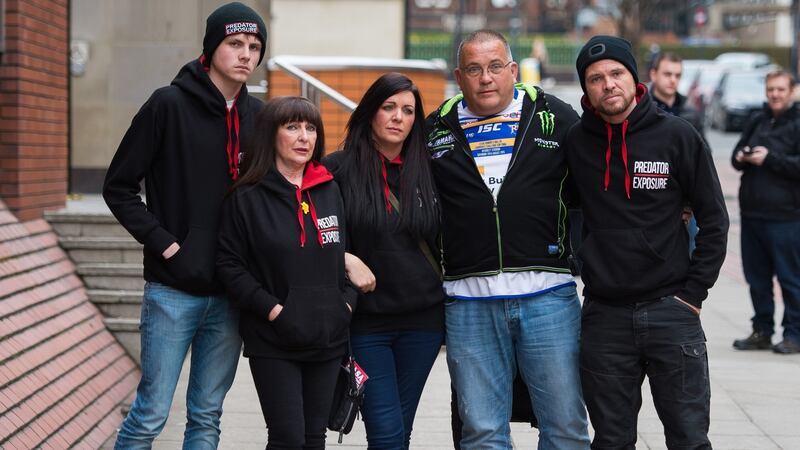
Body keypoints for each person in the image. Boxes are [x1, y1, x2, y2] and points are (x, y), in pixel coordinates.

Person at [102, 3, 266, 448]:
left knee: (207, 417)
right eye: (235, 44)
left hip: (232, 293)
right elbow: (118, 187)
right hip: (173, 290)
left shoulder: (260, 118)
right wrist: (165, 243)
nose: (245, 54)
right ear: (211, 48)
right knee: (151, 413)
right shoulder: (167, 105)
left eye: (254, 47)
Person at [425, 29, 589, 449]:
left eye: (496, 66)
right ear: (459, 77)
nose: (486, 78)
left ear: (513, 71)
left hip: (548, 297)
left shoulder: (554, 115)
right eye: (475, 69)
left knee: (566, 427)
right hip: (468, 302)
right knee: (481, 432)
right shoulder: (434, 131)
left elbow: (598, 178)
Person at [565, 35, 729, 449]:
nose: (608, 84)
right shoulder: (576, 143)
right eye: (596, 78)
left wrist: (694, 292)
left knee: (689, 439)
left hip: (671, 311)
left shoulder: (677, 136)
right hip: (605, 318)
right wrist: (578, 258)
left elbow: (715, 217)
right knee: (612, 441)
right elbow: (556, 206)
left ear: (635, 79)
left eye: (616, 74)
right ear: (586, 89)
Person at [216, 96, 356, 449]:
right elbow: (229, 266)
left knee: (313, 438)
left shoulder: (329, 189)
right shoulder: (246, 196)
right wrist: (274, 310)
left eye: (310, 128)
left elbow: (345, 255)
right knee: (287, 439)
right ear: (271, 135)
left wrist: (346, 306)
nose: (303, 137)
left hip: (327, 336)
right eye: (292, 127)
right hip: (274, 338)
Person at [323, 72, 444, 450]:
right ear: (370, 113)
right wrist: (343, 258)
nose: (398, 117)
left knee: (398, 433)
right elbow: (305, 232)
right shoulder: (337, 169)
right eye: (388, 107)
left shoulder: (430, 170)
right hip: (366, 325)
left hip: (423, 324)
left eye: (408, 111)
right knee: (387, 434)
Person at [731, 69, 800, 354]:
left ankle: (794, 334)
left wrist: (770, 159)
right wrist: (741, 157)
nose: (774, 94)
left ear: (792, 91)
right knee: (756, 278)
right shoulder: (757, 119)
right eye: (771, 89)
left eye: (780, 89)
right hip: (753, 215)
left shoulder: (797, 123)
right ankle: (762, 329)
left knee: (790, 279)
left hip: (786, 217)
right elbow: (737, 157)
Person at [649, 51, 706, 255]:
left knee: (687, 251)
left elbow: (703, 157)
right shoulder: (640, 109)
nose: (673, 80)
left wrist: (691, 201)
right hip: (651, 198)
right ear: (653, 74)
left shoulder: (690, 112)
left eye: (677, 75)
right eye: (667, 74)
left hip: (685, 203)